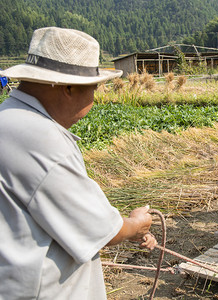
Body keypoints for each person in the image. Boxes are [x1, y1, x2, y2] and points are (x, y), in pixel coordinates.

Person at [0, 27, 157, 299]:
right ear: (69, 87)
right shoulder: (43, 139)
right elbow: (101, 231)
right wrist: (136, 224)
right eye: (93, 89)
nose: (93, 100)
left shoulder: (7, 118)